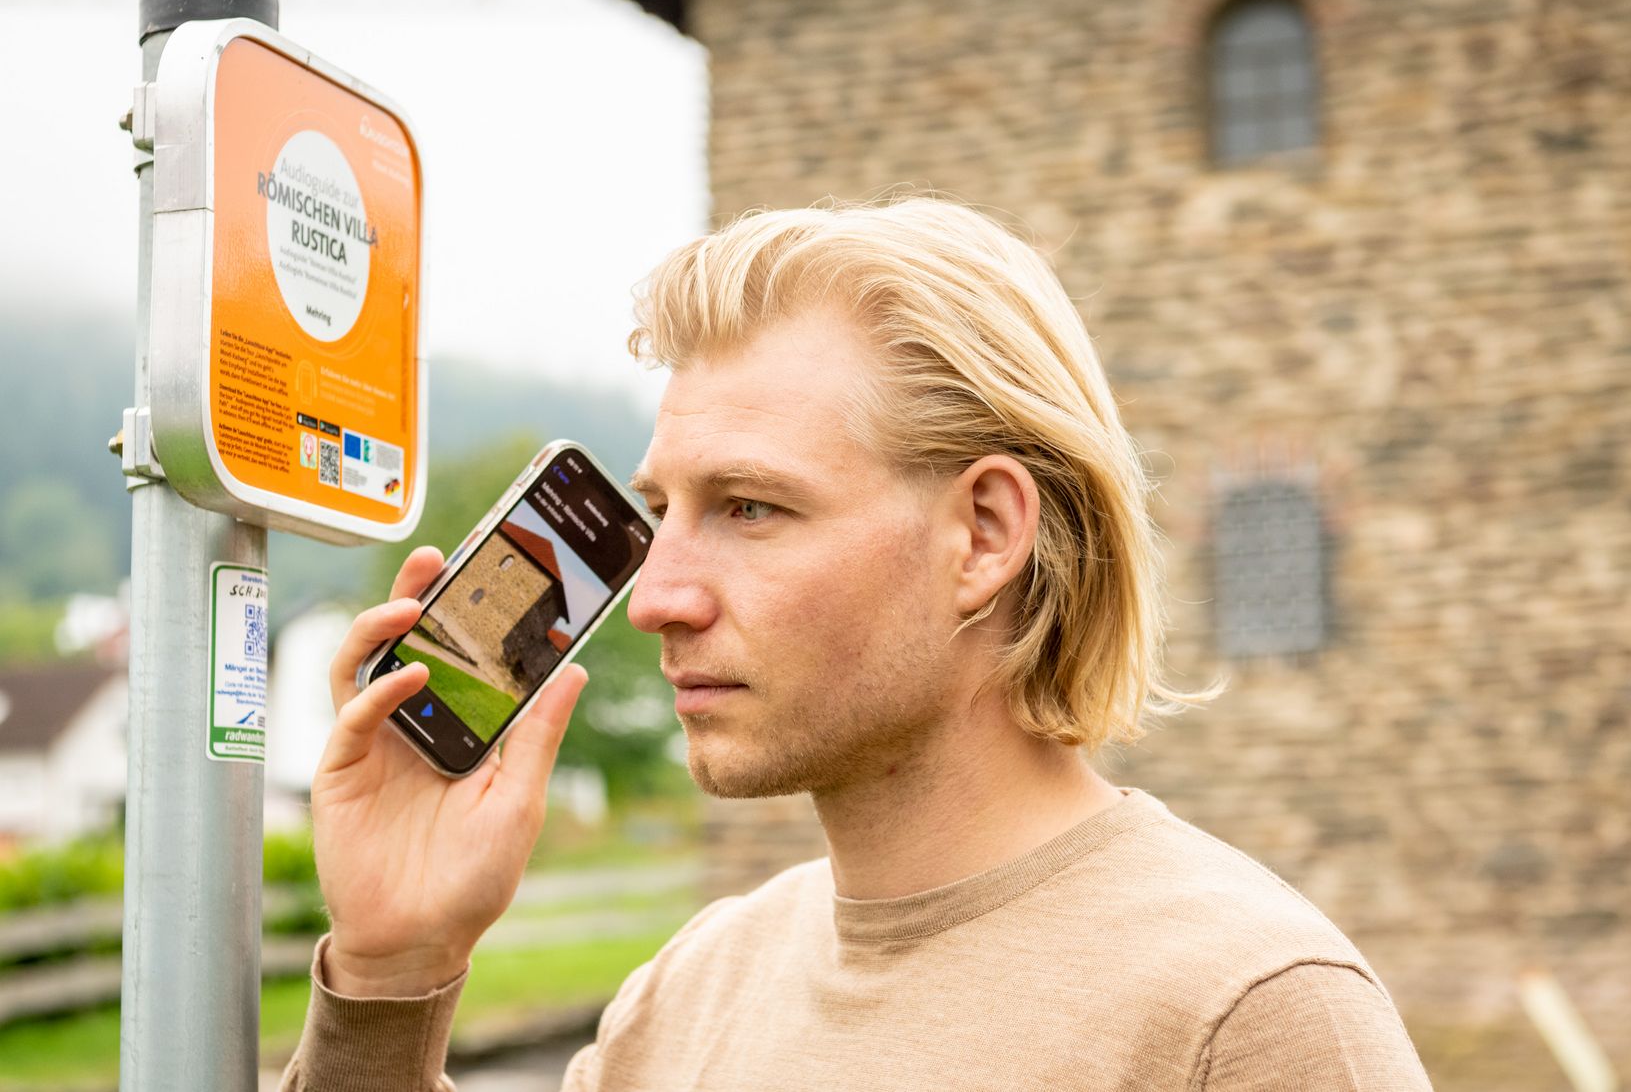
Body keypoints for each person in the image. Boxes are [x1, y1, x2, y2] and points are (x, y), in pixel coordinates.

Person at [281, 198, 1432, 1090]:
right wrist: (390, 973)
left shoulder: (1252, 1013)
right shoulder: (686, 993)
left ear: (981, 536)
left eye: (748, 508)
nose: (656, 596)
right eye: (660, 510)